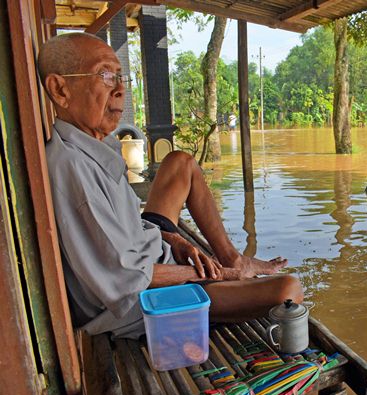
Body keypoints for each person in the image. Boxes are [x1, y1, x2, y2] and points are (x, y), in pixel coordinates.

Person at [39, 32, 303, 338]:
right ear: (60, 90)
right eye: (105, 75)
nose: (120, 90)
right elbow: (130, 278)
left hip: (150, 252)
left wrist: (173, 239)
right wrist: (218, 275)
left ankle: (233, 256)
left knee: (181, 163)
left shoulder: (93, 146)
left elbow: (116, 233)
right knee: (288, 289)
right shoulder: (70, 167)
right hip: (141, 303)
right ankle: (232, 268)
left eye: (121, 76)